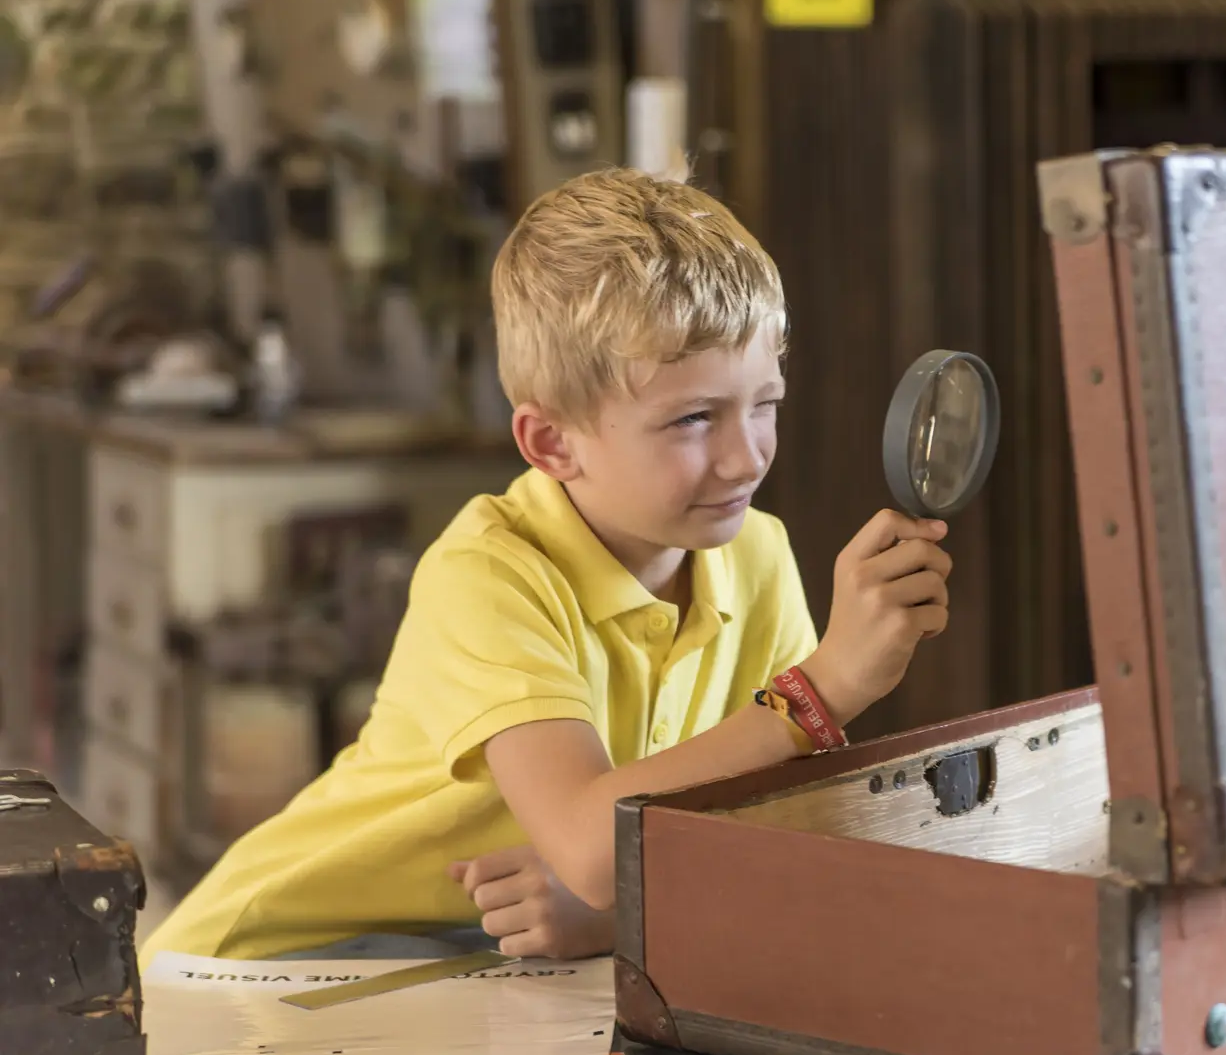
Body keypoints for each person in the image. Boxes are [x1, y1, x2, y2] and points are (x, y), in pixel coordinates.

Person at [141, 168, 951, 962]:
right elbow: (592, 850)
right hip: (273, 968)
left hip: (473, 969)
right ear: (551, 444)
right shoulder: (490, 575)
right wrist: (821, 692)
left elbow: (788, 835)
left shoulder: (755, 555)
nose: (746, 459)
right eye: (694, 419)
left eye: (764, 404)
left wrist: (621, 914)